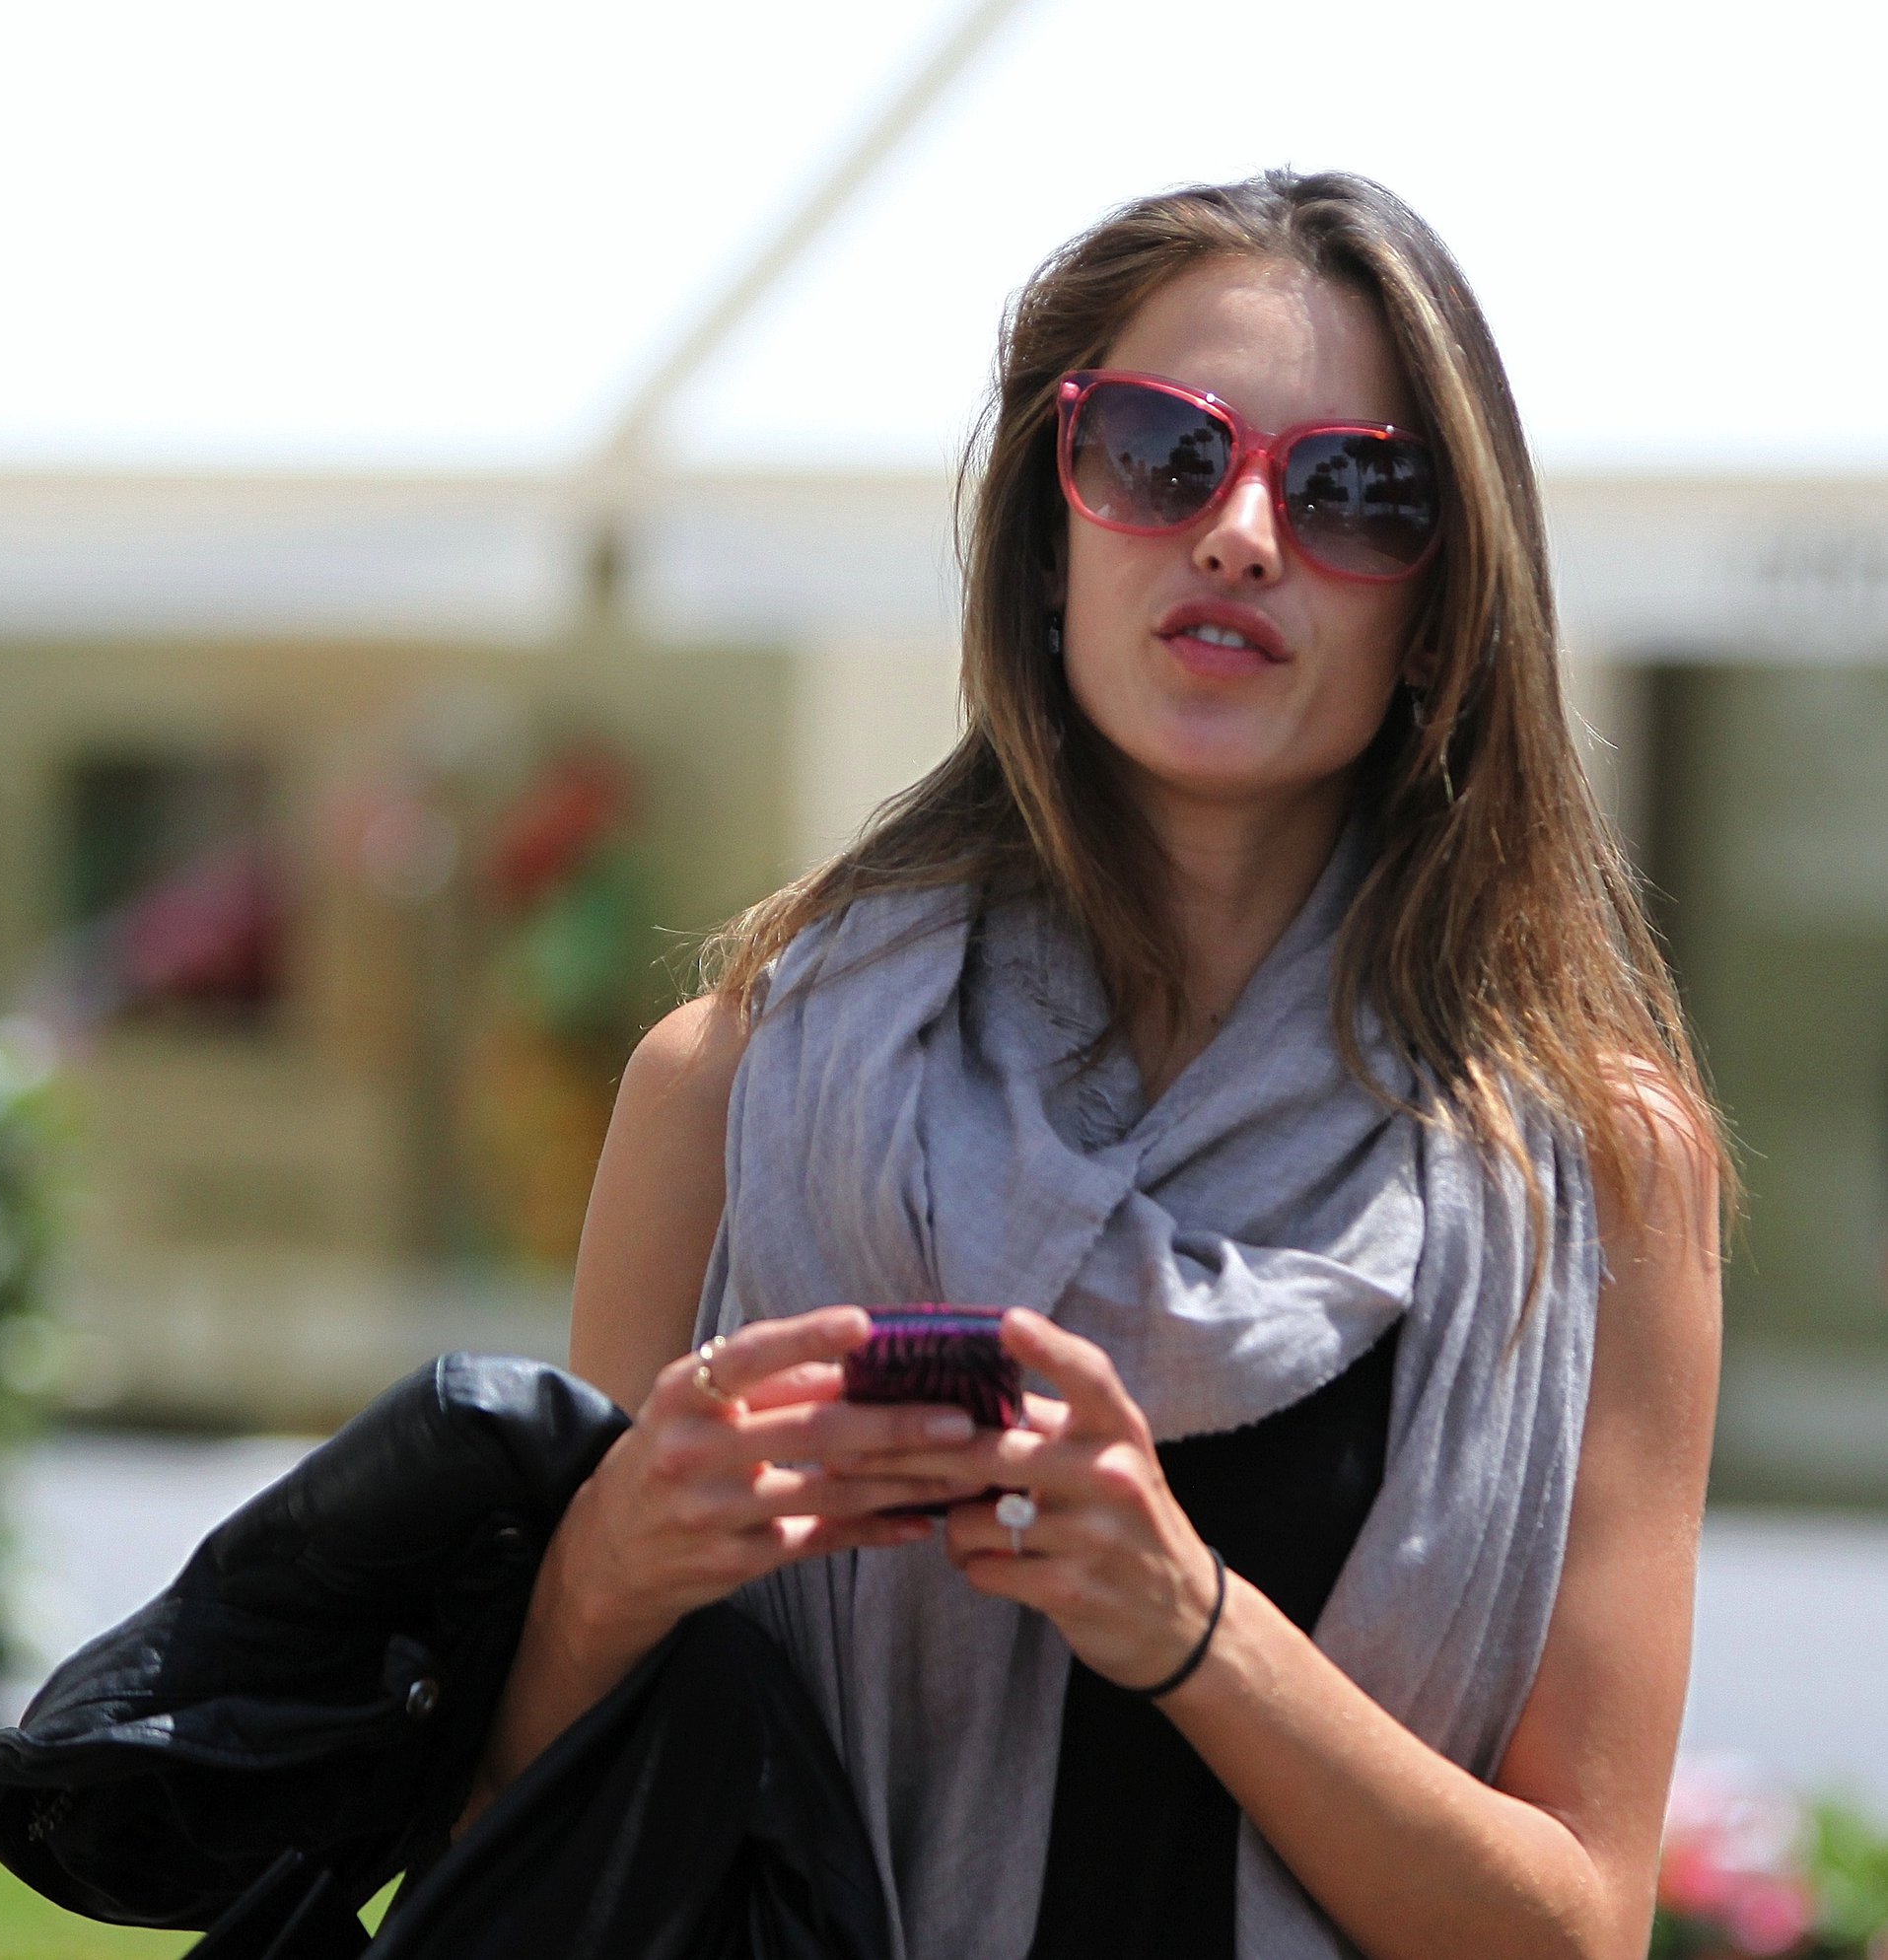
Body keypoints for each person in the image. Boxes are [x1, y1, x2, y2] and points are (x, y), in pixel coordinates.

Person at [460, 171, 1726, 1960]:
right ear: (1051, 532)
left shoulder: (1594, 1175)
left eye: (1358, 493)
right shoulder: (728, 1089)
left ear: (1443, 612)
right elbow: (506, 1831)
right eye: (1160, 453)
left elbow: (1576, 1929)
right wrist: (610, 1566)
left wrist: (1194, 1629)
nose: (1240, 536)